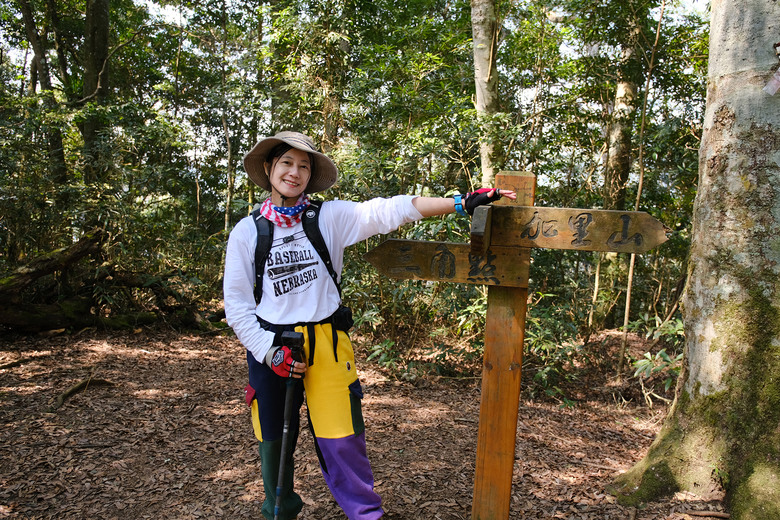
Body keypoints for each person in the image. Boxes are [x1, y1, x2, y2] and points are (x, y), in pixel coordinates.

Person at [223, 131, 516, 520]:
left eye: (304, 166)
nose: (294, 173)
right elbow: (238, 306)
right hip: (270, 345)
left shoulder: (328, 218)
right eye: (286, 163)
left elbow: (388, 210)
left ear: (311, 176)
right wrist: (268, 351)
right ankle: (279, 510)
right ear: (268, 168)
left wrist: (460, 202)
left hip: (326, 342)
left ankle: (366, 515)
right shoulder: (247, 232)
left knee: (342, 439)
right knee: (273, 441)